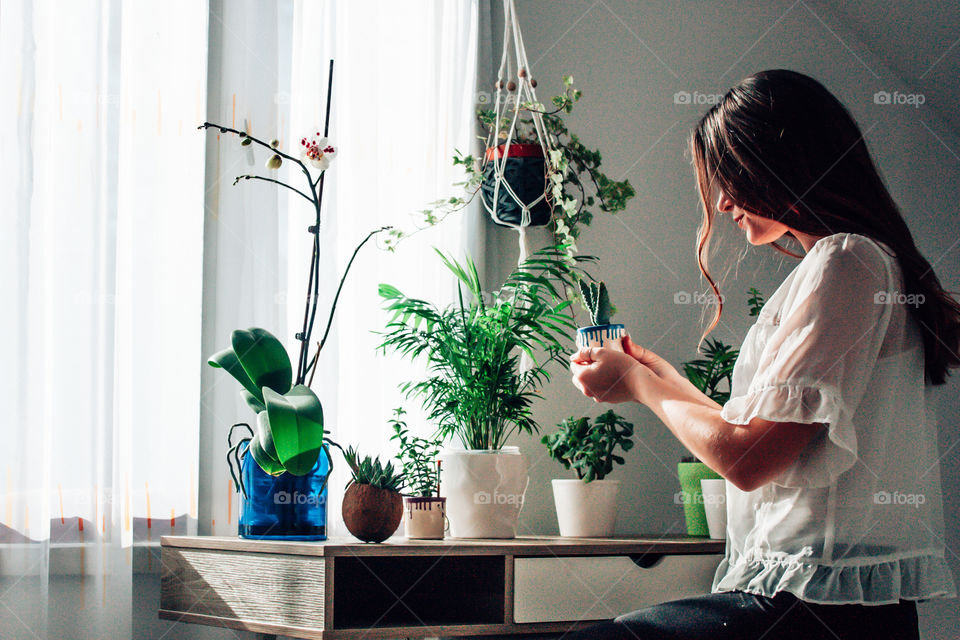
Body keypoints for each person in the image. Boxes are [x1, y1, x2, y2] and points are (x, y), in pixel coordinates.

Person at [567, 69, 959, 640]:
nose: (723, 204)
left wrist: (641, 384)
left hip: (812, 612)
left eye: (733, 178)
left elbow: (747, 462)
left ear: (785, 164)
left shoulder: (846, 262)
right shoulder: (850, 265)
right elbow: (758, 438)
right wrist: (658, 378)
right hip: (825, 609)